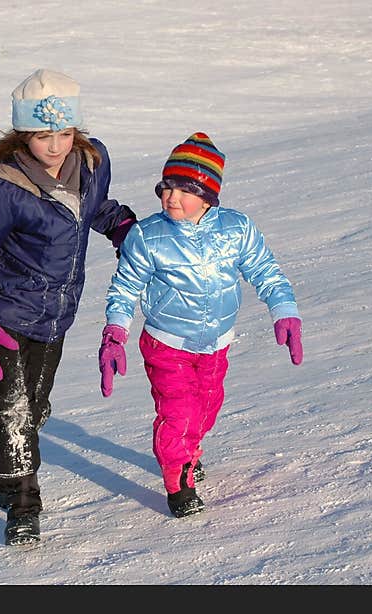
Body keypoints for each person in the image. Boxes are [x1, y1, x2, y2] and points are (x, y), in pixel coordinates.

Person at [0, 69, 137, 545]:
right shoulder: (6, 188)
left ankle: (16, 456)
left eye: (63, 133)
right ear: (22, 134)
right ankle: (21, 504)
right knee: (10, 410)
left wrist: (125, 230)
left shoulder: (93, 163)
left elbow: (93, 209)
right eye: (41, 135)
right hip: (4, 317)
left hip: (55, 317)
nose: (54, 146)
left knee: (32, 408)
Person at [99, 132, 303, 518]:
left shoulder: (236, 228)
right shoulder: (148, 235)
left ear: (208, 195)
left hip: (216, 343)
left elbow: (264, 270)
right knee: (178, 413)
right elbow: (125, 286)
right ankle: (178, 481)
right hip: (166, 344)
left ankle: (189, 450)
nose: (171, 197)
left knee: (206, 409)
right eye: (166, 187)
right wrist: (115, 331)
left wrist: (285, 309)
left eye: (184, 189)